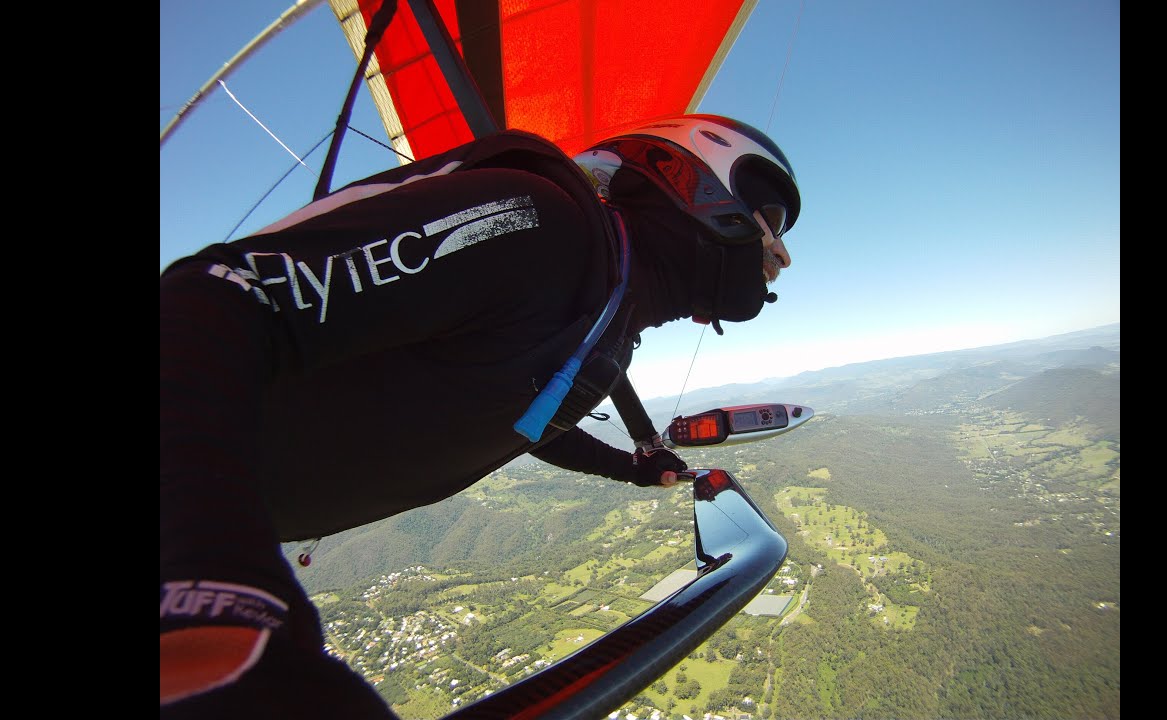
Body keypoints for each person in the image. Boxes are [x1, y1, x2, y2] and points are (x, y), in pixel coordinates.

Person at [160, 114, 800, 717]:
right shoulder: (537, 221)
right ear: (694, 175)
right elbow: (216, 295)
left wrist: (629, 469)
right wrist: (212, 596)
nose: (782, 254)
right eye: (770, 218)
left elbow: (523, 426)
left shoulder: (604, 329)